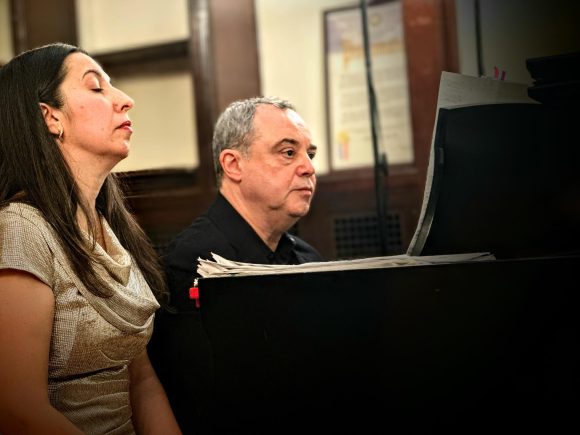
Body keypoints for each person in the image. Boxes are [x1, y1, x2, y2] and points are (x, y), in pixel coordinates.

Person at [0, 43, 181, 434]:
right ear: (50, 117)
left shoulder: (108, 226)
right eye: (97, 87)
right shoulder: (21, 228)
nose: (125, 100)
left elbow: (141, 381)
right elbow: (17, 409)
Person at [148, 96, 324, 434]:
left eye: (310, 154)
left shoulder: (308, 258)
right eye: (289, 152)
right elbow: (203, 401)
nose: (309, 168)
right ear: (233, 165)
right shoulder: (194, 263)